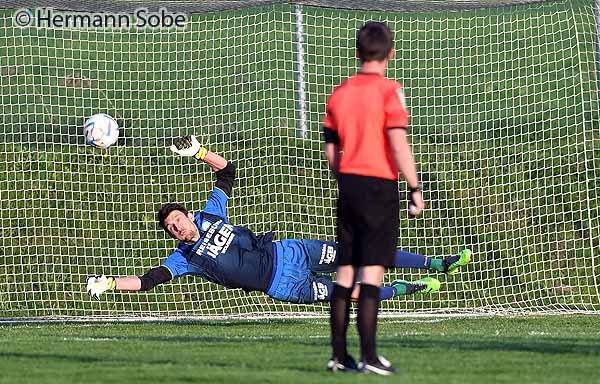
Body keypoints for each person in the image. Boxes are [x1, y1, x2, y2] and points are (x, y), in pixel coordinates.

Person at [87, 136, 471, 306]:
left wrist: (200, 152)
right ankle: (411, 288)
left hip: (292, 252)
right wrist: (108, 283)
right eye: (171, 228)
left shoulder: (210, 214)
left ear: (188, 214)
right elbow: (148, 281)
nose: (177, 228)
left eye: (178, 220)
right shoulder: (184, 259)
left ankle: (438, 263)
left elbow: (227, 172)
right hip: (282, 285)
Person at [323, 21, 426, 375]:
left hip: (349, 184)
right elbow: (398, 143)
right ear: (391, 54)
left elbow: (330, 148)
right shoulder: (389, 91)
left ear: (357, 53)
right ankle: (369, 356)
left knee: (345, 271)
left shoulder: (339, 92)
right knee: (372, 273)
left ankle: (339, 356)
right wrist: (414, 186)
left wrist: (344, 177)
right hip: (379, 186)